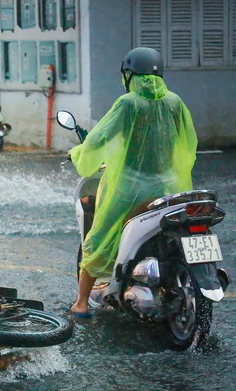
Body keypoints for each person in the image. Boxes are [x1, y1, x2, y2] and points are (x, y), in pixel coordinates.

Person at [69, 47, 197, 317]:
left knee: (98, 238)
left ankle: (81, 303)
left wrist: (79, 154)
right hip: (170, 186)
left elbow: (99, 138)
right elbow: (187, 143)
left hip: (132, 188)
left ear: (128, 75)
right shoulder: (175, 102)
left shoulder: (128, 103)